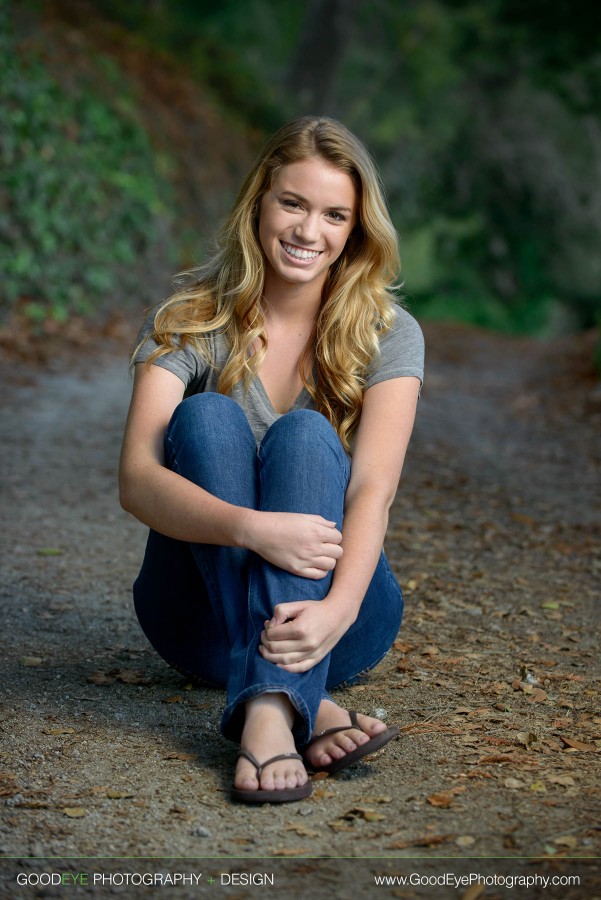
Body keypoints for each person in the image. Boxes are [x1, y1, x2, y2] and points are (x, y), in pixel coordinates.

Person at [119, 116, 424, 804]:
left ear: (355, 229)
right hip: (196, 623)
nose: (307, 231)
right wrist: (251, 528)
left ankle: (265, 705)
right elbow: (136, 480)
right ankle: (296, 706)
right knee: (204, 415)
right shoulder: (189, 318)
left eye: (333, 214)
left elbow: (372, 490)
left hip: (334, 626)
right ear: (259, 201)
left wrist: (340, 608)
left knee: (306, 437)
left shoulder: (388, 334)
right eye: (292, 203)